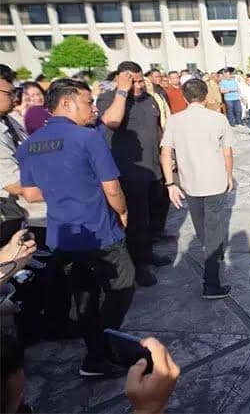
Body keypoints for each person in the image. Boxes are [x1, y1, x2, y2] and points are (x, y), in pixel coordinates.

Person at [16, 78, 135, 377]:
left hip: (62, 235)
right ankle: (102, 347)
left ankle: (95, 353)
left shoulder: (30, 144)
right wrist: (122, 212)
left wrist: (62, 186)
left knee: (85, 297)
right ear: (67, 103)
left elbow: (30, 193)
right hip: (99, 230)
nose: (93, 108)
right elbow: (112, 187)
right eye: (87, 102)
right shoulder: (87, 138)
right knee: (122, 285)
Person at [98, 62, 170, 288]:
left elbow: (158, 131)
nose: (137, 86)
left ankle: (147, 255)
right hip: (129, 173)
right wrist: (122, 90)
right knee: (136, 222)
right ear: (121, 79)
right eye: (132, 81)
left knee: (150, 218)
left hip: (153, 170)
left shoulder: (149, 100)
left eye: (140, 81)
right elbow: (112, 121)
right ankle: (137, 266)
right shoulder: (109, 99)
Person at [159, 79, 233, 300]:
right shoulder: (218, 118)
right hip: (215, 182)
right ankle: (211, 283)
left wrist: (170, 184)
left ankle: (213, 249)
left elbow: (165, 153)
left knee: (201, 225)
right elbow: (227, 152)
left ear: (183, 96)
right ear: (206, 96)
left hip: (190, 183)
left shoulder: (174, 120)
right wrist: (229, 175)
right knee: (213, 228)